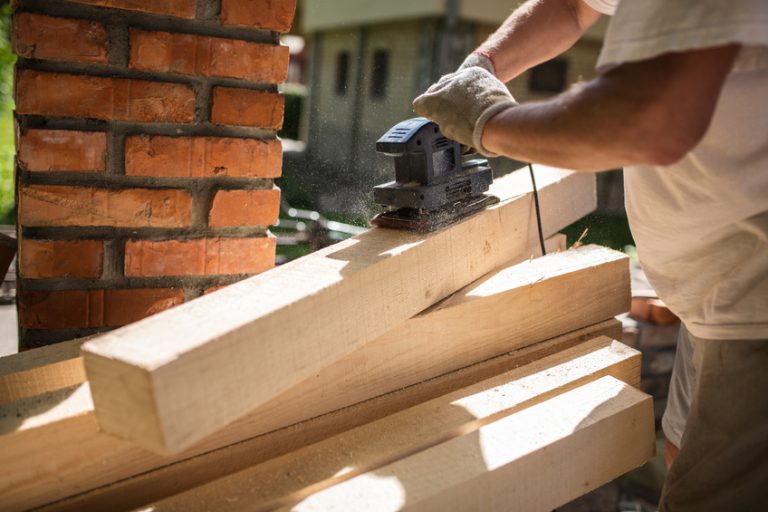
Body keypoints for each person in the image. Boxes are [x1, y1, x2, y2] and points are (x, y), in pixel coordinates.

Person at [413, 0, 768, 510]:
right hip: (716, 295)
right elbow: (573, 6)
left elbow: (650, 119)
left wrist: (490, 121)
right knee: (680, 452)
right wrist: (482, 68)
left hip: (756, 302)